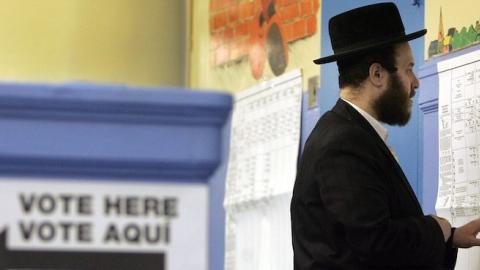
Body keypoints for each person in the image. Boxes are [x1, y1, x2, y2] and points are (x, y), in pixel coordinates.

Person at [290, 3, 480, 269]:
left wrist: (450, 239)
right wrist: (438, 229)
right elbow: (376, 243)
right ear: (377, 74)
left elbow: (363, 237)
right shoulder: (343, 143)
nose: (416, 81)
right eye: (408, 69)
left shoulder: (347, 132)